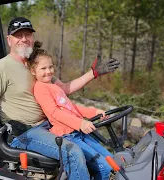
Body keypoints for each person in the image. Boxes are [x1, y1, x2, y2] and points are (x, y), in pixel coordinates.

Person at [0, 17, 120, 179]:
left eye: (28, 34)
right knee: (72, 152)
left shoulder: (38, 66)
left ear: (32, 38)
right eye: (19, 35)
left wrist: (93, 73)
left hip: (49, 127)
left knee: (94, 150)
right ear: (9, 40)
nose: (24, 39)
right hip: (24, 134)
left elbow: (64, 90)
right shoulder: (0, 68)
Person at [28, 41, 113, 180]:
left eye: (50, 67)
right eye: (43, 68)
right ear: (33, 71)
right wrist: (80, 123)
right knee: (104, 167)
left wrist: (93, 112)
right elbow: (54, 113)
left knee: (110, 159)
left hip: (78, 133)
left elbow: (71, 108)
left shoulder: (54, 85)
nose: (48, 71)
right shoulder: (40, 88)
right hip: (67, 135)